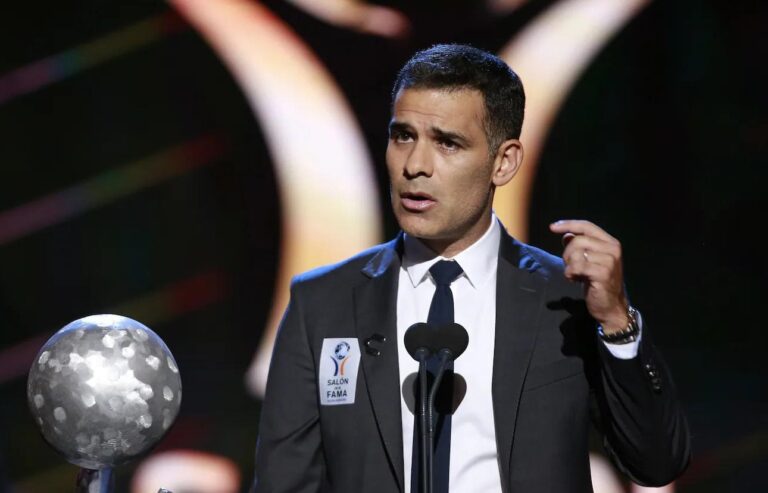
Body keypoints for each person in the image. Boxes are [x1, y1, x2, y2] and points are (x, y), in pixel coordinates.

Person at [252, 44, 690, 493]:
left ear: (504, 162)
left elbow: (657, 462)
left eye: (447, 142)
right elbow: (283, 484)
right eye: (403, 135)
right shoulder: (323, 303)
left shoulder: (566, 297)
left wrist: (618, 323)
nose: (415, 166)